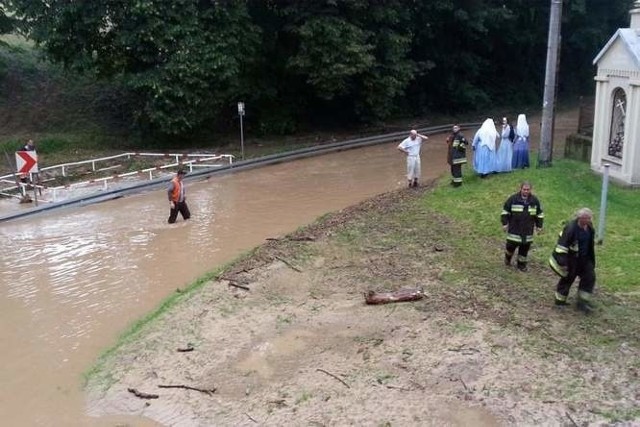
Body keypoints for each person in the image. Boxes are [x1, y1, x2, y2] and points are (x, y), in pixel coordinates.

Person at [549, 208, 597, 314]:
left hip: (585, 259)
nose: (589, 220)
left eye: (590, 218)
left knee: (590, 277)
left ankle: (582, 303)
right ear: (580, 218)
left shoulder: (589, 228)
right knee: (568, 279)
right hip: (572, 260)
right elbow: (562, 246)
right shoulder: (570, 229)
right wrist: (563, 263)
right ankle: (560, 301)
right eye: (586, 218)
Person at [501, 181, 544, 272]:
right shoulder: (513, 199)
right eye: (524, 189)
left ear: (530, 190)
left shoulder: (534, 201)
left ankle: (521, 265)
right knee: (510, 247)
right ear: (520, 189)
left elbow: (539, 214)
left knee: (524, 249)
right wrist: (505, 224)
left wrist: (539, 226)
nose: (526, 191)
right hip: (514, 230)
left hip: (527, 231)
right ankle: (507, 259)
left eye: (528, 190)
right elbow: (505, 212)